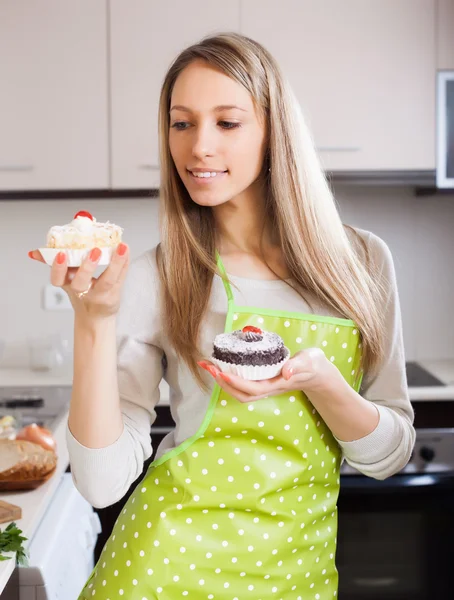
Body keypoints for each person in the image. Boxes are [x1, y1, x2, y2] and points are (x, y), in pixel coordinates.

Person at [30, 32, 415, 600]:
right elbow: (101, 483)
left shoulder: (360, 263)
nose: (198, 147)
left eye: (227, 123)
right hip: (160, 573)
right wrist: (94, 319)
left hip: (295, 578)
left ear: (273, 132)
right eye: (181, 123)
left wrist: (323, 382)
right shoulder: (156, 276)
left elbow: (390, 455)